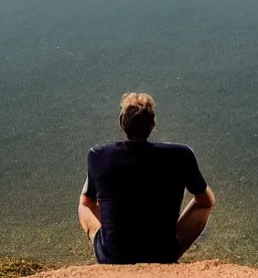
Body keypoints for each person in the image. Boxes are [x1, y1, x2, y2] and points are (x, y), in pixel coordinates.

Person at [78, 92, 215, 264]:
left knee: (85, 204)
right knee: (205, 204)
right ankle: (165, 252)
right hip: (163, 254)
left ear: (121, 123)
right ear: (152, 124)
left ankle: (112, 245)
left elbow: (87, 201)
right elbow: (206, 201)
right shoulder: (181, 155)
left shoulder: (98, 155)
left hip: (113, 257)